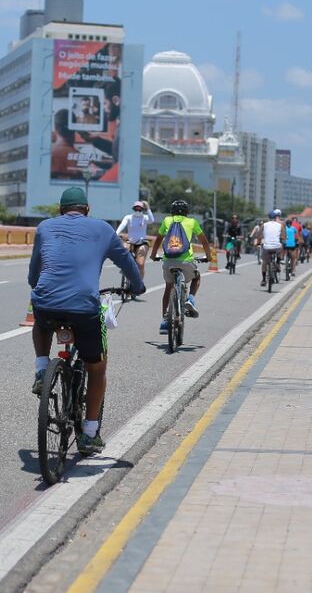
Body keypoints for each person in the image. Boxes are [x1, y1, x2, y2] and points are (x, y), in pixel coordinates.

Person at [28, 187, 145, 455]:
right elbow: (127, 263)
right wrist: (137, 286)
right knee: (97, 367)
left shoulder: (44, 228)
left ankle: (41, 368)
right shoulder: (103, 229)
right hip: (84, 308)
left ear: (60, 210)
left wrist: (40, 287)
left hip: (46, 303)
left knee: (41, 313)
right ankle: (90, 433)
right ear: (87, 210)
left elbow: (34, 272)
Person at [149, 199, 213, 333]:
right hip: (186, 261)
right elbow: (205, 243)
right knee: (196, 277)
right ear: (187, 212)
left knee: (168, 288)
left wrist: (153, 255)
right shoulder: (192, 222)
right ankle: (190, 299)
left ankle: (165, 320)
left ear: (172, 212)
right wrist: (208, 256)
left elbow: (158, 241)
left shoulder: (167, 221)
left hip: (168, 261)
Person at [115, 200, 157, 279]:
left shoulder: (145, 218)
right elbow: (122, 225)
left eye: (140, 209)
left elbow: (152, 220)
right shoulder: (128, 217)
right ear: (133, 209)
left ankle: (140, 284)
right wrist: (116, 234)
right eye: (136, 209)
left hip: (142, 243)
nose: (138, 211)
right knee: (124, 248)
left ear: (142, 209)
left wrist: (148, 208)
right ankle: (124, 267)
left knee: (140, 264)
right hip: (131, 242)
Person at [259, 210, 287, 287]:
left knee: (264, 262)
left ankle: (264, 279)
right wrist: (282, 239)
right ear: (275, 217)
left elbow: (259, 235)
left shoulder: (264, 225)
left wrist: (259, 240)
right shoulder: (280, 225)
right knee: (280, 246)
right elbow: (284, 236)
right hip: (276, 247)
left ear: (268, 217)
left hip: (266, 247)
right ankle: (278, 262)